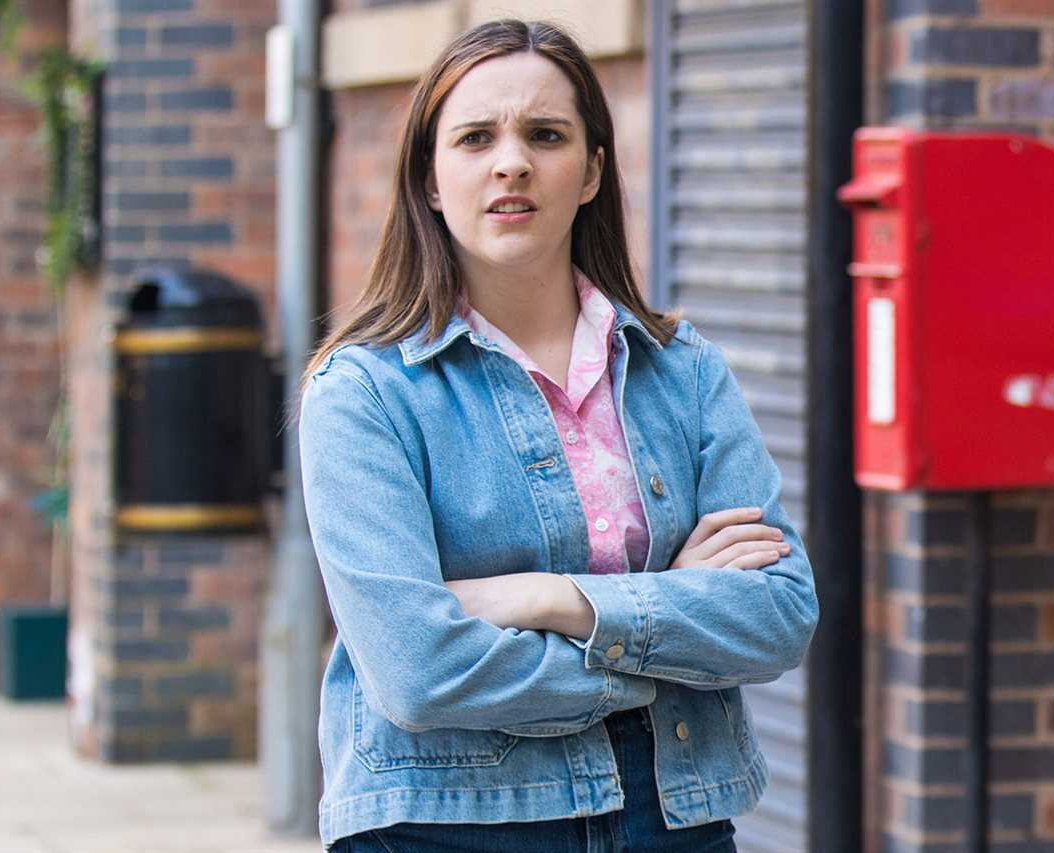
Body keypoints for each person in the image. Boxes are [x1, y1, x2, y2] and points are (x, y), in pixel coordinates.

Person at [297, 18, 818, 853]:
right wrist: (661, 642)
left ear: (592, 172)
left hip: (671, 819)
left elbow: (779, 613)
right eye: (475, 138)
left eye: (546, 134)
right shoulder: (364, 393)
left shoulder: (679, 370)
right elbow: (418, 668)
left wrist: (552, 599)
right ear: (431, 179)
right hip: (449, 827)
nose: (512, 162)